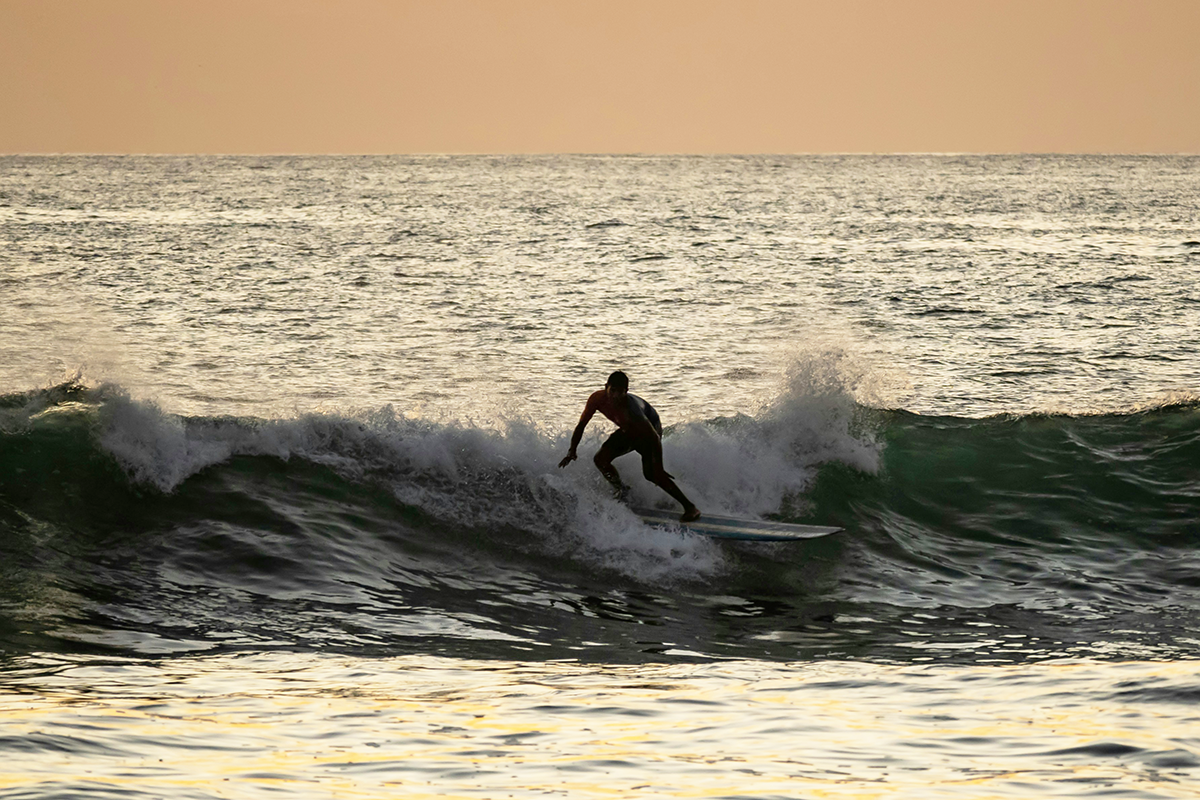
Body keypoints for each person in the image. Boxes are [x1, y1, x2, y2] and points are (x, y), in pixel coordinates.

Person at [558, 370, 700, 522]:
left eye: (620, 392)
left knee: (652, 474)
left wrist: (658, 466)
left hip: (650, 431)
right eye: (612, 390)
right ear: (606, 387)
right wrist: (572, 450)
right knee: (600, 459)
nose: (616, 396)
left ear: (626, 391)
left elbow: (653, 437)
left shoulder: (632, 409)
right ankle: (622, 490)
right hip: (628, 430)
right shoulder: (596, 399)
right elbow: (581, 425)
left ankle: (690, 507)